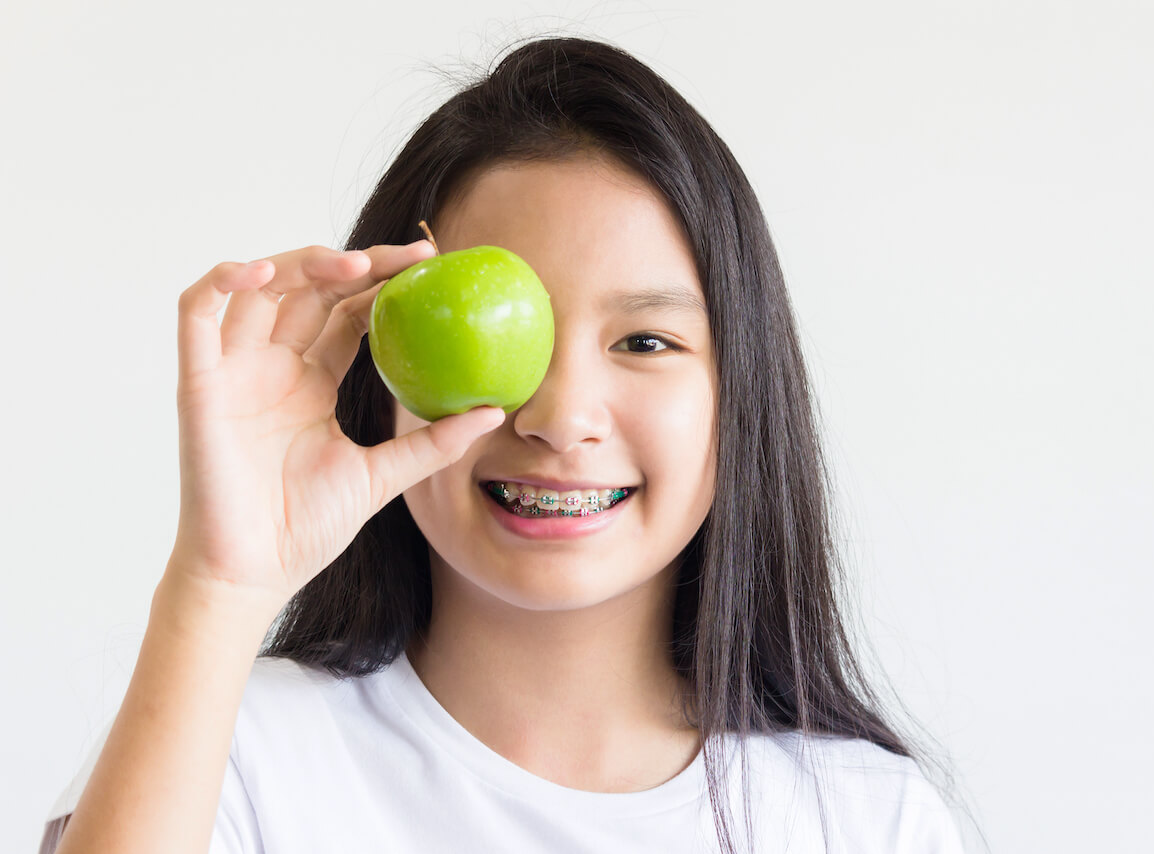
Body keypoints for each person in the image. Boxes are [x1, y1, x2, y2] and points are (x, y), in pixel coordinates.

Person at [42, 36, 970, 854]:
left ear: (742, 396)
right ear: (382, 377)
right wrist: (217, 588)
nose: (560, 419)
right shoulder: (229, 756)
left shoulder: (865, 821)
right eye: (507, 338)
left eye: (645, 343)